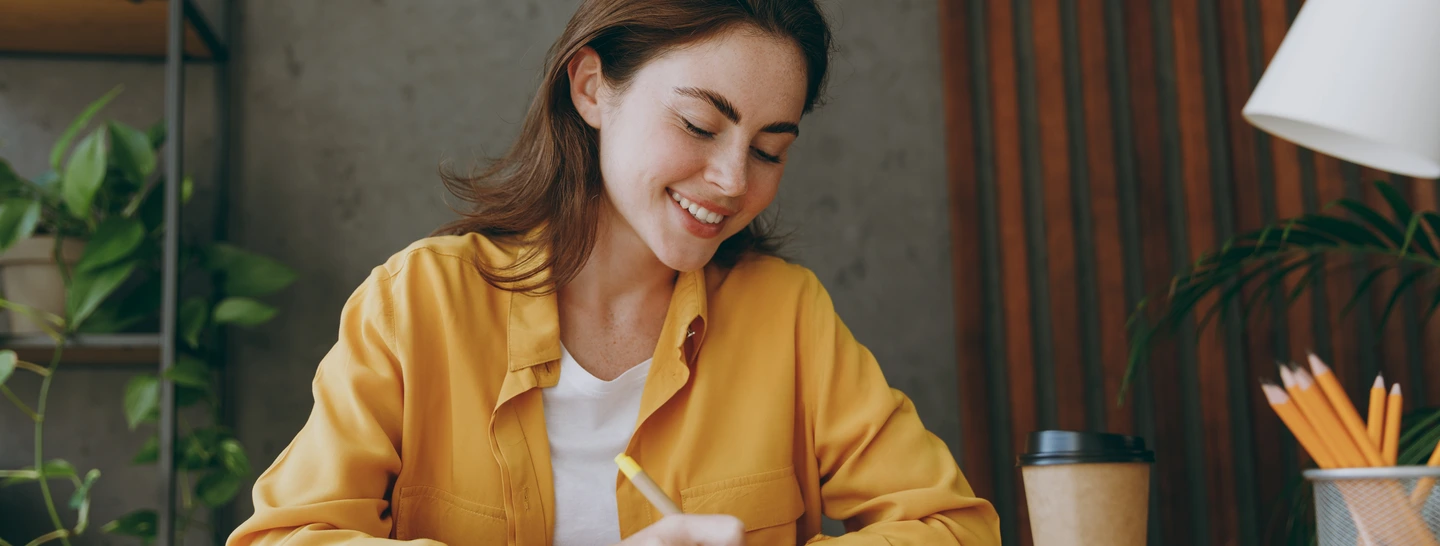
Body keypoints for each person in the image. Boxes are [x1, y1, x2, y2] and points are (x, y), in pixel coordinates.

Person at [226, 1, 1000, 544]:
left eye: (770, 149)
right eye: (700, 125)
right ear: (592, 88)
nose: (734, 179)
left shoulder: (787, 315)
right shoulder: (420, 302)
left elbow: (954, 528)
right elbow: (288, 538)